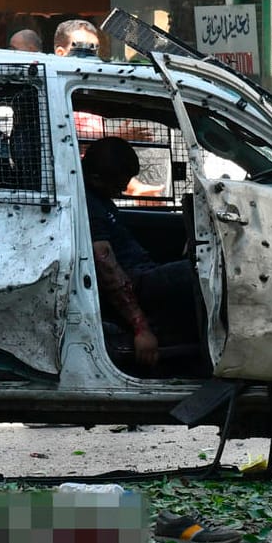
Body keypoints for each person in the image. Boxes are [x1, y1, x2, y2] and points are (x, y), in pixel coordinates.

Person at [82, 137, 196, 369]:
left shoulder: (99, 199)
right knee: (195, 271)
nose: (124, 190)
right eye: (118, 185)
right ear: (95, 178)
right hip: (136, 282)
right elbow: (106, 269)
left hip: (143, 273)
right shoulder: (89, 206)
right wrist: (141, 329)